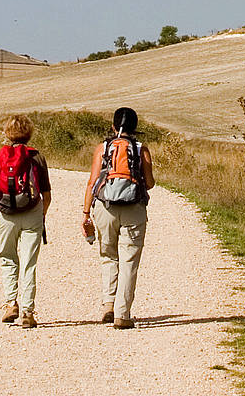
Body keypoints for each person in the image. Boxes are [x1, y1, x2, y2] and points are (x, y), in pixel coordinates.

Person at [82, 107, 156, 329]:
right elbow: (150, 183)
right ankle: (122, 314)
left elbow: (93, 182)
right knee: (129, 261)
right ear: (135, 127)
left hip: (105, 208)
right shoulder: (142, 150)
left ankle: (108, 305)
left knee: (108, 255)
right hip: (134, 208)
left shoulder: (103, 148)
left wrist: (86, 213)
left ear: (113, 126)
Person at [0, 114, 51, 328]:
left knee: (8, 258)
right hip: (32, 212)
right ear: (29, 134)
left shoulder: (0, 156)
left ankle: (10, 303)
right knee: (29, 263)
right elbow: (46, 194)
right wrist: (42, 214)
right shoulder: (37, 157)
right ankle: (28, 312)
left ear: (7, 133)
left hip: (6, 214)